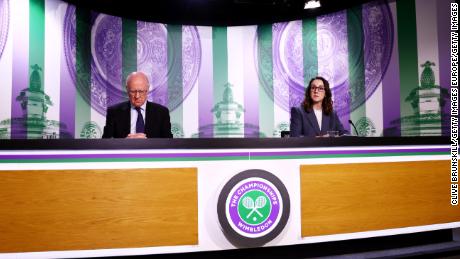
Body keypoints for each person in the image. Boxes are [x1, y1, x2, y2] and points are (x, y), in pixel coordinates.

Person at [102, 71, 173, 138]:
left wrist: (148, 144)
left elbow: (168, 143)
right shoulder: (114, 112)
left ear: (147, 90)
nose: (137, 96)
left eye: (141, 91)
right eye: (133, 91)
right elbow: (105, 142)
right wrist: (124, 142)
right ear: (127, 90)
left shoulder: (162, 112)